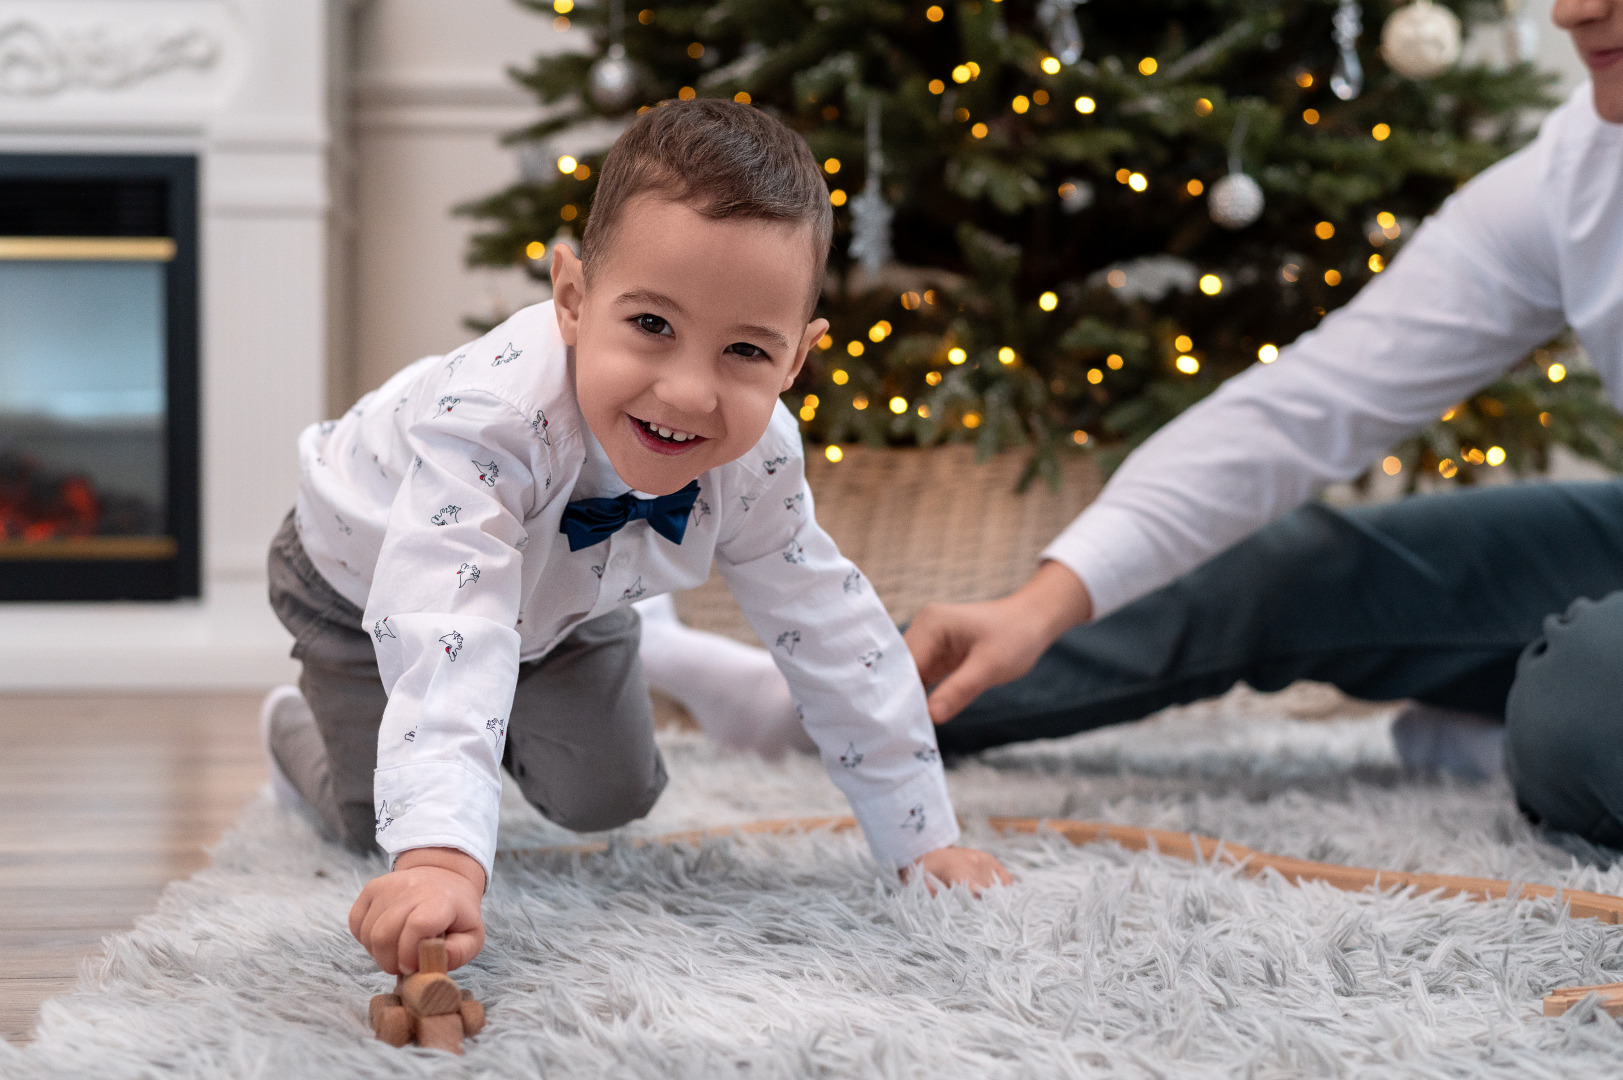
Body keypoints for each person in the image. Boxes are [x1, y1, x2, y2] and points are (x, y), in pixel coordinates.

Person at [261, 99, 1009, 978]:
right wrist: (439, 856)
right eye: (652, 325)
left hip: (569, 597)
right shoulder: (490, 422)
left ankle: (572, 675)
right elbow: (442, 618)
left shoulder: (756, 459)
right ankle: (292, 733)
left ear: (795, 361)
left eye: (745, 352)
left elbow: (835, 632)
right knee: (377, 821)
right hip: (363, 583)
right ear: (572, 298)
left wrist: (922, 841)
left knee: (612, 795)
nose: (690, 394)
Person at [897, 0, 1623, 850]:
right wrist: (1038, 603)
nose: (1575, 9)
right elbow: (1309, 403)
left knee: (1582, 698)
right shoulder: (1572, 172)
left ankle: (1526, 733)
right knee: (1280, 568)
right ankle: (851, 705)